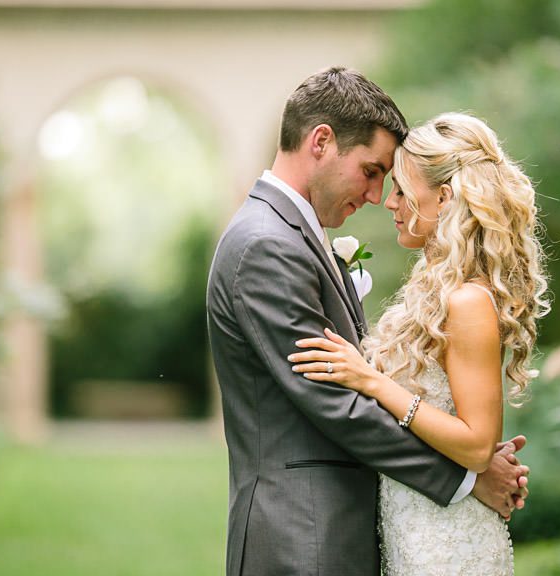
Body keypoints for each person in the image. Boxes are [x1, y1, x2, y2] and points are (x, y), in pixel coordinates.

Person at [207, 68, 529, 576]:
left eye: (393, 182)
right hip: (303, 536)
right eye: (373, 171)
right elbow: (334, 402)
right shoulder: (267, 244)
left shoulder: (292, 237)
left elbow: (367, 384)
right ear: (321, 142)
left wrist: (468, 447)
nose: (379, 197)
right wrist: (467, 477)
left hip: (351, 532)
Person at [289, 111, 550, 574]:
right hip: (415, 527)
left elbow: (475, 444)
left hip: (447, 544)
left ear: (444, 198)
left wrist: (372, 381)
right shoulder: (434, 292)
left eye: (403, 190)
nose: (389, 203)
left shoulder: (468, 300)